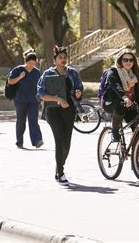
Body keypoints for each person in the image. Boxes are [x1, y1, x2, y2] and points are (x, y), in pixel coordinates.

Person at [37, 46, 84, 186]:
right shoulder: (47, 74)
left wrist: (78, 93)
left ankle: (58, 168)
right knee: (59, 141)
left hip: (69, 110)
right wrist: (58, 99)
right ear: (55, 60)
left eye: (64, 57)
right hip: (53, 111)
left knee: (67, 144)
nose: (63, 60)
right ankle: (61, 173)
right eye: (60, 58)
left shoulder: (73, 73)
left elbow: (80, 88)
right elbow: (40, 94)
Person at [101, 49, 139, 142]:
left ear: (134, 62)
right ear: (120, 61)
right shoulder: (113, 72)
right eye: (125, 60)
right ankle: (115, 131)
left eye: (131, 60)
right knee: (120, 105)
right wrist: (124, 97)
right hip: (111, 103)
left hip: (130, 105)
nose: (128, 62)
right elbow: (116, 86)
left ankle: (134, 153)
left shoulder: (135, 76)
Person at [8, 49, 43, 149]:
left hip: (33, 101)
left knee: (33, 120)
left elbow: (40, 86)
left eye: (33, 63)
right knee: (21, 121)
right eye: (29, 63)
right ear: (25, 61)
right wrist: (19, 77)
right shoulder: (18, 70)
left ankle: (37, 141)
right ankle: (19, 142)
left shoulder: (37, 72)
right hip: (20, 100)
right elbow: (10, 81)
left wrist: (41, 97)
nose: (31, 65)